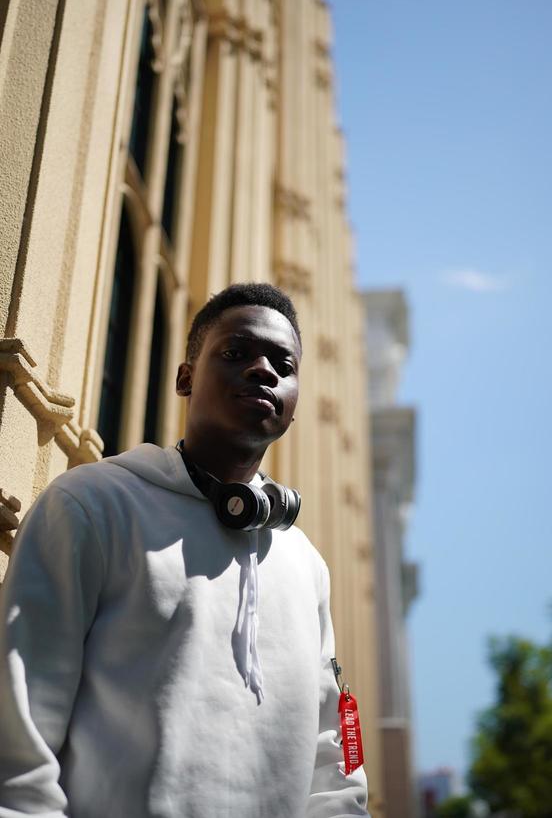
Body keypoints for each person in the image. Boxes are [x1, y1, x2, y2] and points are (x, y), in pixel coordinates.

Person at [0, 282, 369, 817]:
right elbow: (18, 732)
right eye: (236, 353)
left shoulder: (306, 564)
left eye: (282, 365)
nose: (263, 370)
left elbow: (337, 750)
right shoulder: (89, 505)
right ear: (185, 377)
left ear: (294, 403)